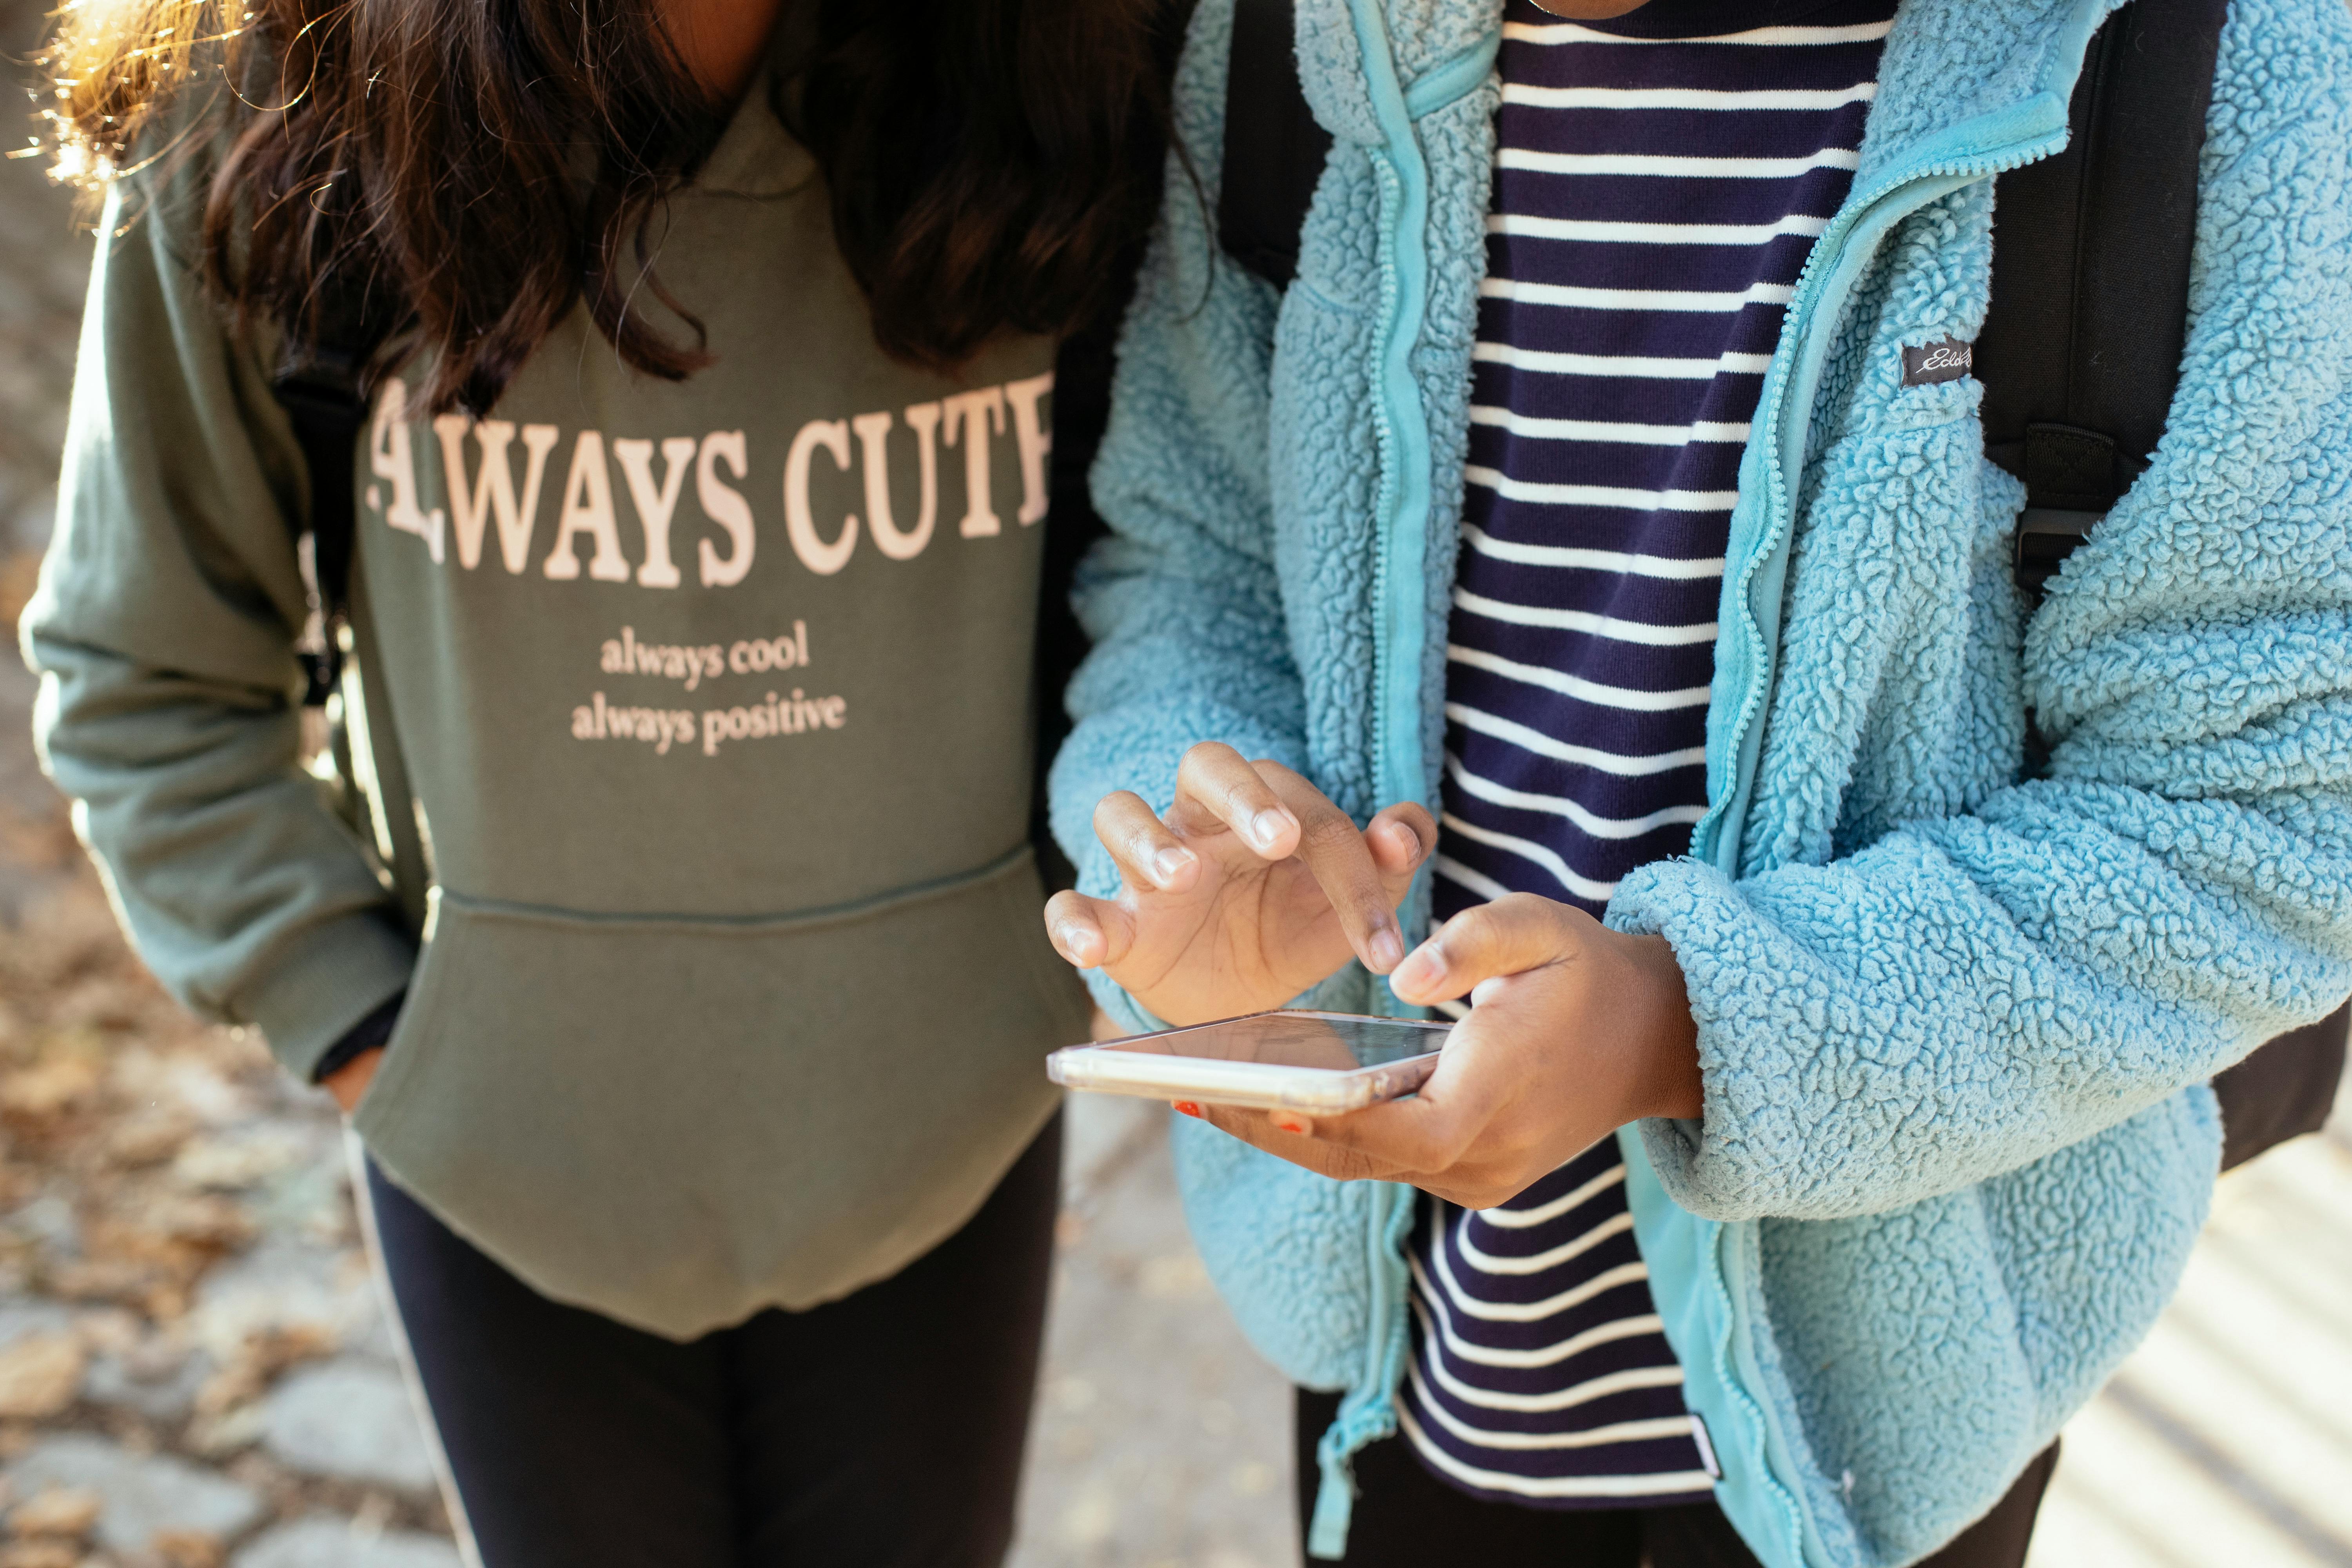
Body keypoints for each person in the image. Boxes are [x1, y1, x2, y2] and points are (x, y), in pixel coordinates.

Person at [1044, 0, 2352, 1563]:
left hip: (1884, 1422)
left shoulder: (2227, 67)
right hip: (1398, 1360)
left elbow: (2261, 810)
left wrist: (1692, 1026)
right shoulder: (1296, 41)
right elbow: (1197, 553)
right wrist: (1195, 830)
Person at [22, 0, 1170, 1563]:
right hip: (492, 1167)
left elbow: (1178, 558)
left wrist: (1042, 961)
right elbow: (143, 679)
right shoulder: (264, 87)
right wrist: (380, 1042)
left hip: (951, 1140)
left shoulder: (1075, 60)